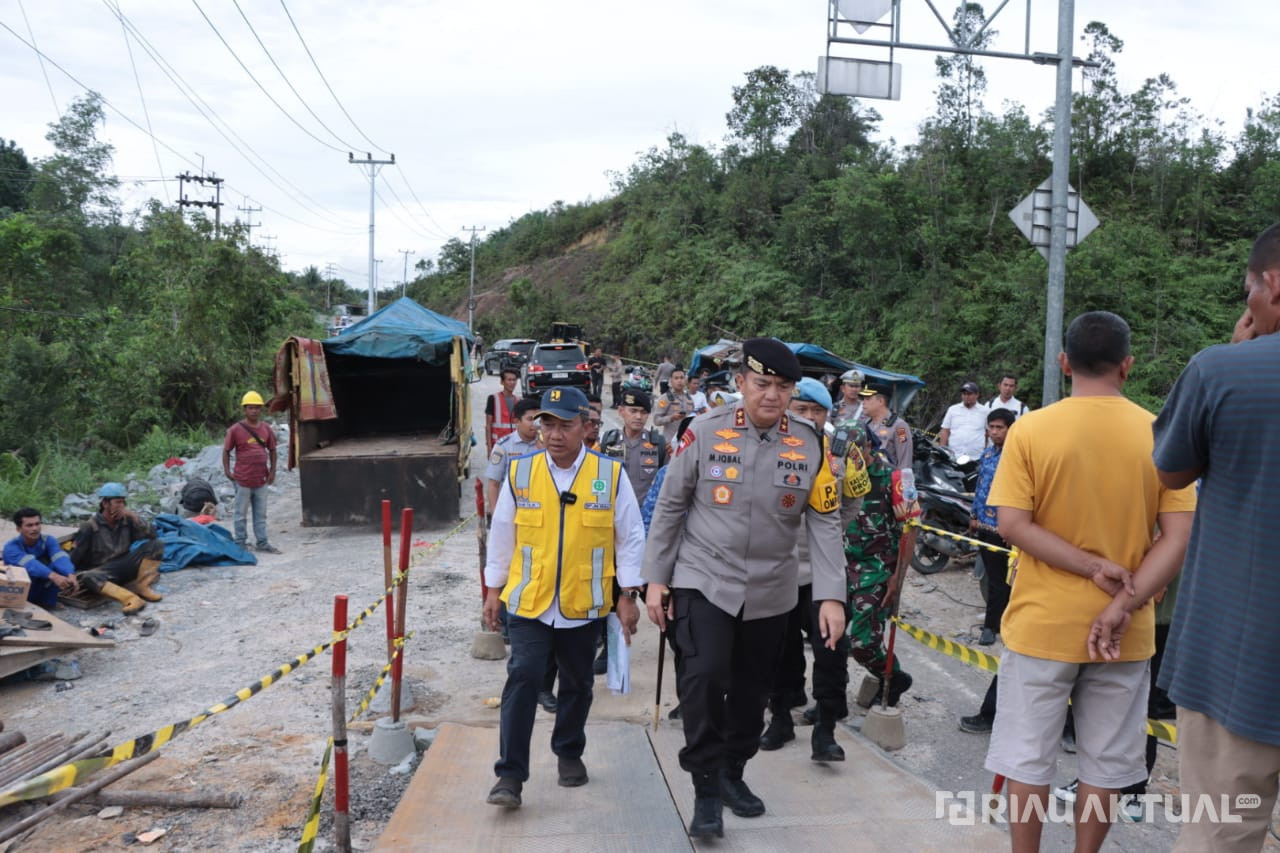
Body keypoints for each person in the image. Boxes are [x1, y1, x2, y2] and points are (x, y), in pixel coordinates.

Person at [985, 310, 1195, 853]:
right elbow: (1177, 537)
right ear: (1127, 366)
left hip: (1041, 625)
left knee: (1029, 757)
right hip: (1124, 632)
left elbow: (1012, 525)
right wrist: (1125, 598)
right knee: (1104, 762)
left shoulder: (1030, 428)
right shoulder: (1158, 433)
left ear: (1064, 362)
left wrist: (1087, 567)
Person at [642, 338, 846, 841]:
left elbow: (824, 520)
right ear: (740, 383)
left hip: (773, 589)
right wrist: (656, 579)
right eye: (762, 384)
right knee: (705, 678)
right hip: (704, 578)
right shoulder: (704, 431)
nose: (772, 396)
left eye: (783, 387)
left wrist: (832, 595)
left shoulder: (808, 441)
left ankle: (732, 771)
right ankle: (706, 788)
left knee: (753, 695)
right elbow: (670, 506)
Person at [1132, 221, 1280, 852]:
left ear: (1272, 285)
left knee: (1222, 829)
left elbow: (1173, 469)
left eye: (1248, 288)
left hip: (1240, 664)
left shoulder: (1221, 371)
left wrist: (1234, 351)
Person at [482, 387, 646, 809]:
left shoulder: (609, 475)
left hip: (583, 602)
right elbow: (502, 534)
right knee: (523, 678)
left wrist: (627, 595)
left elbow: (630, 538)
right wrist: (493, 589)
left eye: (566, 425)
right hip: (529, 600)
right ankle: (510, 777)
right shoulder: (521, 472)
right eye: (547, 424)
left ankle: (569, 752)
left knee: (577, 683)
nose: (555, 434)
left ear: (586, 427)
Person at [760, 377, 859, 762]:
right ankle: (780, 719)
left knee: (831, 649)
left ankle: (825, 730)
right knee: (779, 651)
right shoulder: (769, 446)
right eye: (801, 410)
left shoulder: (840, 451)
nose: (809, 417)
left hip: (822, 573)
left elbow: (854, 497)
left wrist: (828, 533)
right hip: (780, 569)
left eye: (817, 411)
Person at [843, 416, 920, 708]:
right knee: (830, 640)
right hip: (841, 568)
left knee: (864, 644)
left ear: (868, 448)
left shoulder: (897, 478)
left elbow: (911, 529)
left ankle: (894, 677)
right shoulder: (840, 475)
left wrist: (897, 579)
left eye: (855, 453)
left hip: (876, 572)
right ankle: (832, 699)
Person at [69, 483, 165, 615]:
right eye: (117, 502)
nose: (121, 506)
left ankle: (142, 586)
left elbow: (152, 534)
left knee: (156, 545)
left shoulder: (127, 520)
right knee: (88, 577)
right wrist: (70, 576)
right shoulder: (90, 526)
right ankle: (130, 598)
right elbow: (75, 557)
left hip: (125, 564)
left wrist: (134, 517)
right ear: (105, 503)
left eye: (123, 502)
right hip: (105, 571)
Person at [971, 408, 1016, 646]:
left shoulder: (1016, 456)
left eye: (1000, 428)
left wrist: (1012, 528)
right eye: (992, 427)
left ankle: (990, 627)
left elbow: (1019, 494)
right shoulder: (988, 454)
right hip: (984, 526)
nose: (995, 432)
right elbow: (981, 487)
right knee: (991, 576)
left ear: (1010, 429)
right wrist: (973, 514)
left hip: (1003, 529)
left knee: (1001, 579)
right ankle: (998, 619)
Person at [223, 391, 281, 555]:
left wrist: (272, 472)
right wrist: (227, 471)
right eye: (250, 408)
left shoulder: (266, 429)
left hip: (261, 479)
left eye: (257, 408)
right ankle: (240, 542)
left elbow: (273, 450)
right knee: (240, 513)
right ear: (244, 410)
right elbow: (226, 451)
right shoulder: (235, 430)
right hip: (242, 479)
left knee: (260, 514)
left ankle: (262, 542)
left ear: (260, 410)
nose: (254, 411)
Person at [600, 391, 667, 504]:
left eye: (644, 412)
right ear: (621, 411)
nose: (638, 417)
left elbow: (665, 482)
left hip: (645, 515)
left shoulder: (658, 443)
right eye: (633, 411)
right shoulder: (609, 441)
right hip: (616, 512)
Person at [4, 508, 78, 609]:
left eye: (37, 524)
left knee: (60, 567)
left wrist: (71, 574)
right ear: (19, 529)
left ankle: (48, 603)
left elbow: (59, 557)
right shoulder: (11, 548)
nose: (35, 528)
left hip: (42, 585)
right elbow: (30, 565)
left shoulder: (48, 540)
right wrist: (54, 576)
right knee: (36, 572)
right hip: (23, 590)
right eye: (29, 525)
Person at [483, 397, 542, 518]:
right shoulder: (503, 446)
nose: (535, 424)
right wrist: (495, 514)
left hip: (540, 508)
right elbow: (494, 483)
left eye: (538, 420)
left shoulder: (546, 444)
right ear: (517, 421)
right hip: (512, 509)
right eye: (530, 419)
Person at [859, 381, 913, 469]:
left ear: (880, 401)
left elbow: (905, 462)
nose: (863, 402)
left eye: (867, 399)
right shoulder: (866, 424)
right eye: (863, 399)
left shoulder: (900, 427)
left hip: (887, 479)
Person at [938, 381, 988, 460]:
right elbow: (945, 431)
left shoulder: (985, 411)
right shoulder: (952, 410)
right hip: (954, 456)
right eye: (964, 394)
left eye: (969, 394)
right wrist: (942, 451)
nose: (966, 396)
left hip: (976, 457)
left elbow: (988, 432)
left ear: (977, 395)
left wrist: (986, 450)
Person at [653, 369, 695, 447]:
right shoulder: (665, 398)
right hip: (669, 443)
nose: (679, 381)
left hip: (686, 443)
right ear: (671, 381)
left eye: (682, 378)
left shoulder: (689, 399)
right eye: (676, 378)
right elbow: (656, 420)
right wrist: (671, 418)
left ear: (685, 380)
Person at [485, 368, 521, 453]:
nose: (512, 383)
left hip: (514, 447)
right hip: (498, 446)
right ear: (502, 382)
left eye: (514, 380)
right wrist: (489, 449)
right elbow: (488, 426)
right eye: (509, 380)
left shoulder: (519, 401)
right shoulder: (493, 399)